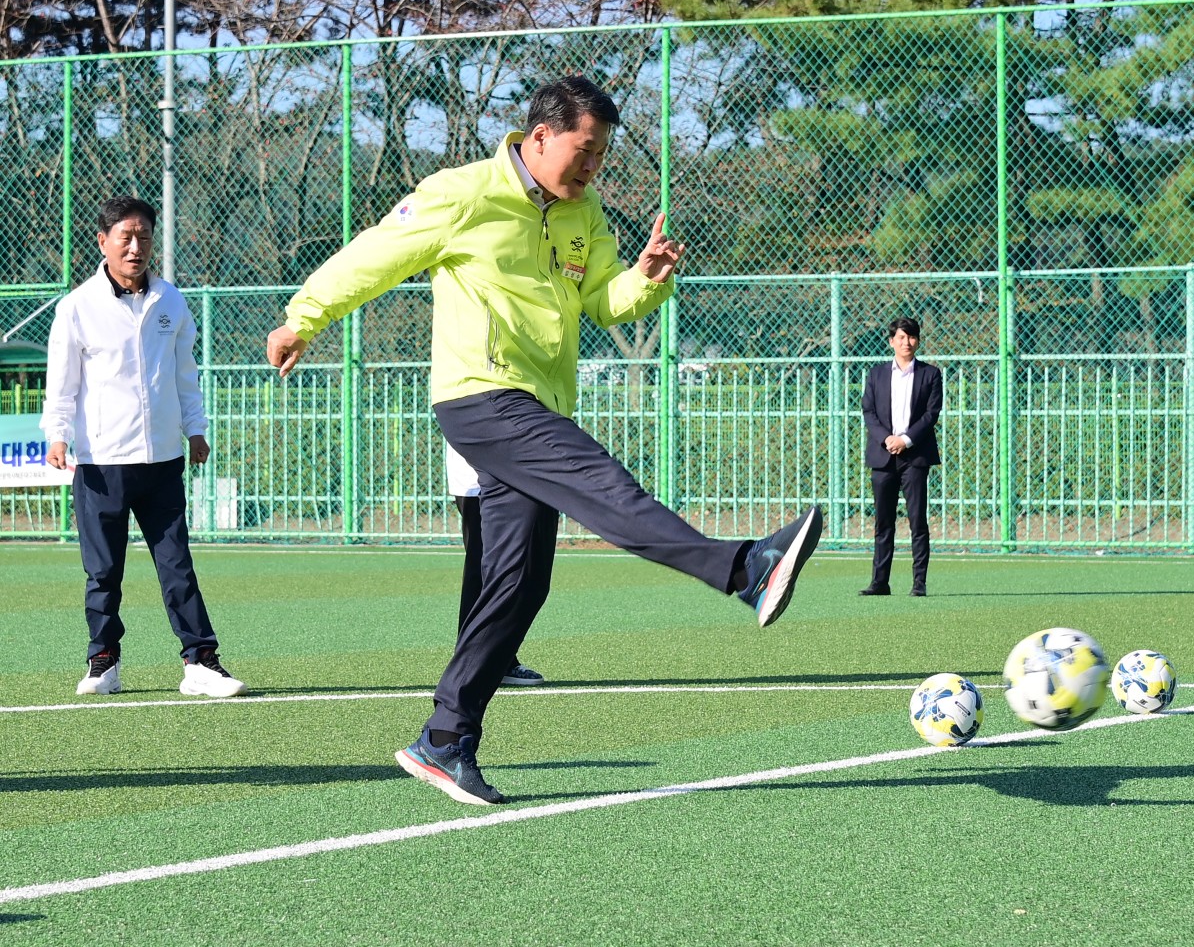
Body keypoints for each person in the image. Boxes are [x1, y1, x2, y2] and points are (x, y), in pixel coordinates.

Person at [266, 76, 821, 806]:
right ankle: (744, 568)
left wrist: (646, 278)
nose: (593, 166)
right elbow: (374, 255)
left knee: (520, 580)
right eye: (584, 150)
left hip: (537, 401)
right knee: (602, 486)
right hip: (482, 395)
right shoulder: (463, 193)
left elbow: (603, 301)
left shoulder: (583, 212)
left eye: (602, 154)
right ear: (540, 136)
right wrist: (303, 318)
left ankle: (444, 739)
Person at [41, 195, 246, 698]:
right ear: (103, 241)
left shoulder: (170, 301)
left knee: (177, 565)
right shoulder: (76, 307)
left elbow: (184, 374)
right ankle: (103, 662)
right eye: (125, 237)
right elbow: (62, 382)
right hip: (101, 463)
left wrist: (195, 429)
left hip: (162, 459)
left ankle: (201, 662)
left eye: (144, 237)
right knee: (103, 572)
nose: (136, 247)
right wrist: (57, 433)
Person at [446, 442, 544, 687]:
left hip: (506, 474)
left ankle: (492, 661)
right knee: (485, 570)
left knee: (505, 571)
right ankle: (478, 664)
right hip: (482, 479)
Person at [859, 316, 942, 597]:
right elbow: (869, 412)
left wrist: (905, 440)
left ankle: (919, 583)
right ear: (891, 341)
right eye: (901, 337)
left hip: (915, 458)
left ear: (918, 341)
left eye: (912, 337)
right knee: (883, 523)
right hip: (882, 457)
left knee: (917, 521)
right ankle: (879, 582)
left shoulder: (931, 374)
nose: (907, 342)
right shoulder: (876, 374)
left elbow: (931, 414)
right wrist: (887, 439)